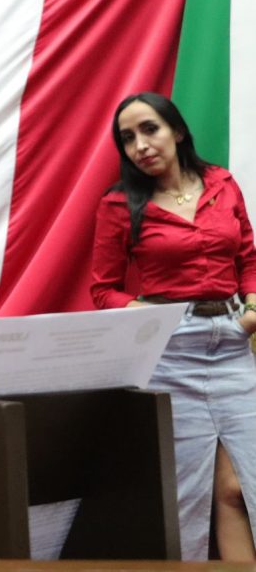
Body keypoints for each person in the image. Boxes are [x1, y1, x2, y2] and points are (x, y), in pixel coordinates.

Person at [91, 92, 256, 561]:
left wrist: (252, 310)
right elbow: (103, 290)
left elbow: (248, 257)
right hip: (170, 354)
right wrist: (151, 316)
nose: (140, 145)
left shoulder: (222, 183)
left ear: (177, 131)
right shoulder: (118, 204)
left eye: (150, 129)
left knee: (238, 486)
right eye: (127, 138)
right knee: (186, 493)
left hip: (233, 345)